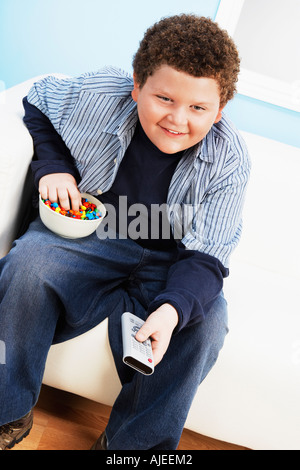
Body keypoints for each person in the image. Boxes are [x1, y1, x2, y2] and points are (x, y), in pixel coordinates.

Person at [0, 14, 250, 450]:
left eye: (198, 108)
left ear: (219, 111)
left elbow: (209, 255)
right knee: (27, 264)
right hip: (89, 234)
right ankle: (8, 411)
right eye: (164, 98)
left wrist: (172, 310)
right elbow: (38, 100)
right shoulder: (100, 91)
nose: (177, 118)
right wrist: (52, 167)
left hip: (172, 260)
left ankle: (133, 449)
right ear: (137, 86)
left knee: (208, 323)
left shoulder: (230, 158)